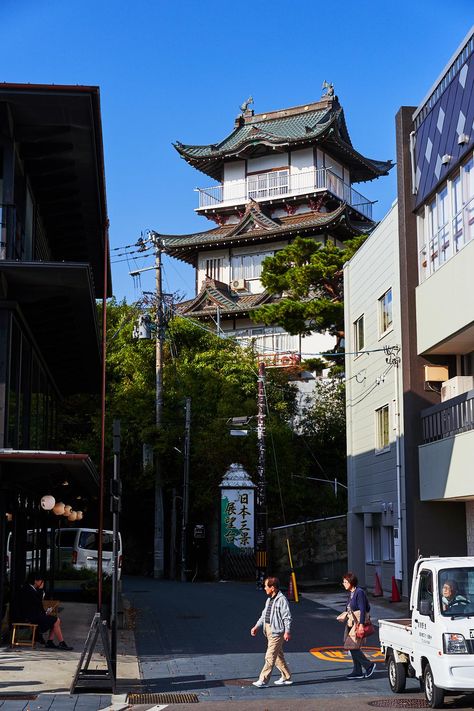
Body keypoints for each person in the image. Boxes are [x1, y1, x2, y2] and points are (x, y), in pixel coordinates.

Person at [250, 576, 293, 688]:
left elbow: (287, 617)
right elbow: (264, 616)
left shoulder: (282, 600)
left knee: (270, 656)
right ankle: (286, 676)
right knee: (278, 656)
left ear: (272, 588)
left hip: (277, 632)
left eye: (266, 586)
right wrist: (256, 627)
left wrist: (287, 631)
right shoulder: (269, 600)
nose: (264, 588)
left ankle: (263, 680)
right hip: (268, 630)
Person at [20, 571, 73, 650]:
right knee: (56, 620)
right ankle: (60, 643)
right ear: (36, 581)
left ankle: (51, 642)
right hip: (30, 616)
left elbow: (36, 605)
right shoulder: (29, 590)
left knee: (54, 620)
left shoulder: (30, 589)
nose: (42, 583)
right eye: (41, 581)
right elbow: (37, 603)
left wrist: (45, 612)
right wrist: (41, 590)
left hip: (33, 614)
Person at [342, 572, 375, 680]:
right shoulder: (351, 593)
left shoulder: (359, 592)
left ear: (351, 582)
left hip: (357, 623)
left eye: (345, 582)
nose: (344, 584)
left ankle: (369, 665)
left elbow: (363, 610)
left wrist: (361, 624)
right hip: (351, 623)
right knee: (353, 647)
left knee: (351, 646)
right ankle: (357, 671)